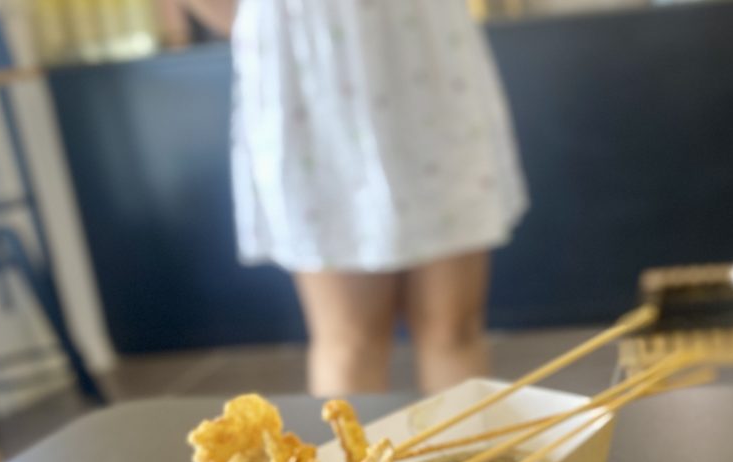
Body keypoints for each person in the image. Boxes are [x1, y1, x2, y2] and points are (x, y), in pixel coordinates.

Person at [178, 0, 528, 395]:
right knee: (350, 342)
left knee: (454, 328)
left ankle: (474, 457)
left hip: (426, 55)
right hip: (312, 65)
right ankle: (348, 458)